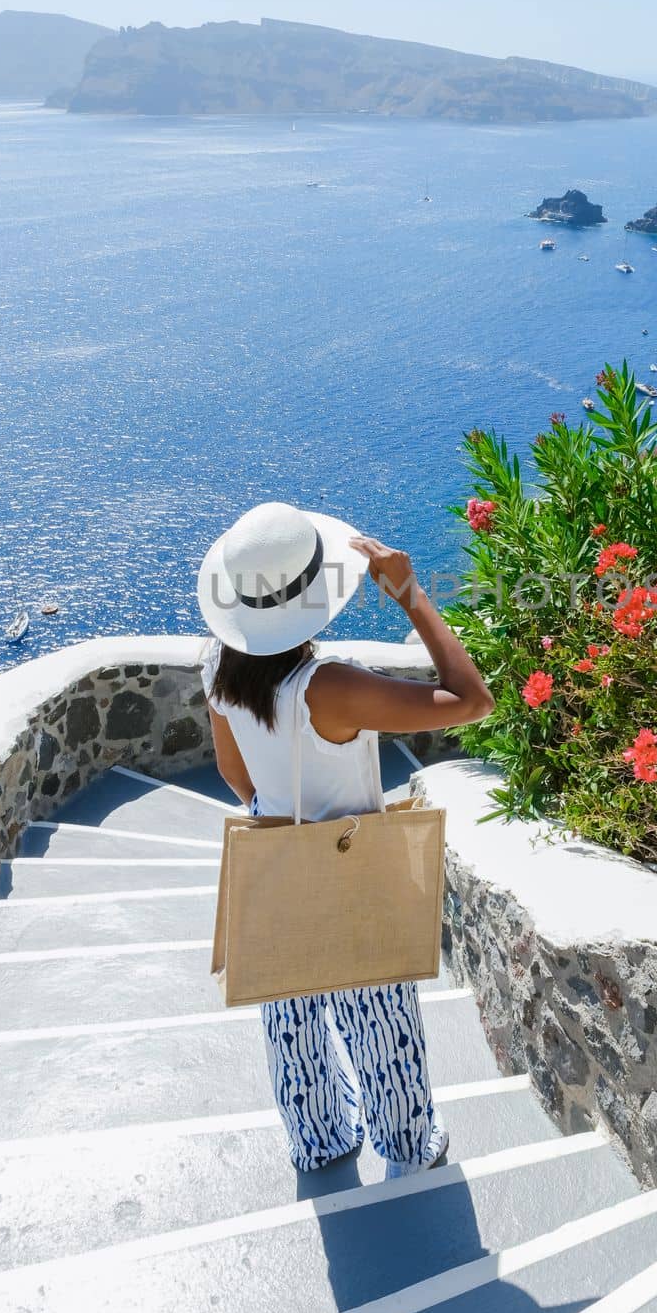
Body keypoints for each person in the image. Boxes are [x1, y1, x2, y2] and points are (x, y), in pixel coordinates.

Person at [197, 500, 493, 1178]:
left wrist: (280, 818)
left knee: (291, 1018)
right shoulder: (330, 687)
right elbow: (472, 700)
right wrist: (412, 595)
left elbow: (230, 771)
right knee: (378, 1016)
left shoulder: (217, 663)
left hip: (270, 866)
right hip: (351, 868)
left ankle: (320, 1138)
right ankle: (406, 1142)